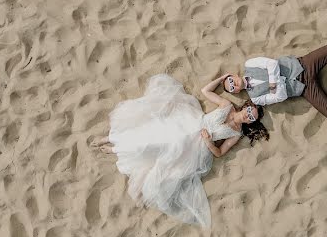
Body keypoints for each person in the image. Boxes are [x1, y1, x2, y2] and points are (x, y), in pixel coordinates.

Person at [91, 74, 268, 227]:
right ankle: (113, 140)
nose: (248, 115)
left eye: (252, 117)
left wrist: (208, 142)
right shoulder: (227, 105)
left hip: (198, 146)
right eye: (249, 111)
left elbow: (219, 153)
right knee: (151, 133)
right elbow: (206, 91)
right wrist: (221, 79)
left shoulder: (236, 134)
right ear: (245, 106)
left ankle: (114, 148)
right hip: (190, 122)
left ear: (252, 122)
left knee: (162, 153)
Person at [224, 41, 327, 121]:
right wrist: (276, 84)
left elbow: (272, 63)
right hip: (304, 88)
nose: (233, 85)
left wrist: (273, 85)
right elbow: (280, 97)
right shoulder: (255, 98)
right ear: (236, 92)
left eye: (231, 81)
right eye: (231, 88)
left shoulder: (249, 64)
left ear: (234, 75)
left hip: (303, 65)